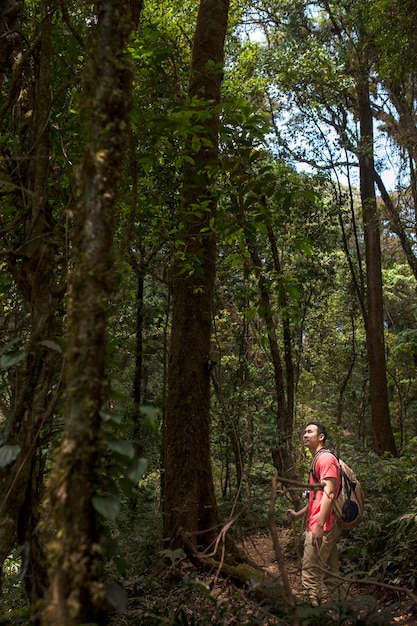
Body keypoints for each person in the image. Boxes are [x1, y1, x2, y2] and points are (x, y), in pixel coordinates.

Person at [287, 421, 342, 605]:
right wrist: (299, 514)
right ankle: (339, 616)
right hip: (325, 525)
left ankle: (314, 618)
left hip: (321, 527)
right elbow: (316, 498)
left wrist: (318, 526)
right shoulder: (317, 459)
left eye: (310, 431)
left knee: (310, 577)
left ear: (321, 437)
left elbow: (330, 493)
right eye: (304, 431)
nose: (305, 435)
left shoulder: (325, 459)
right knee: (331, 577)